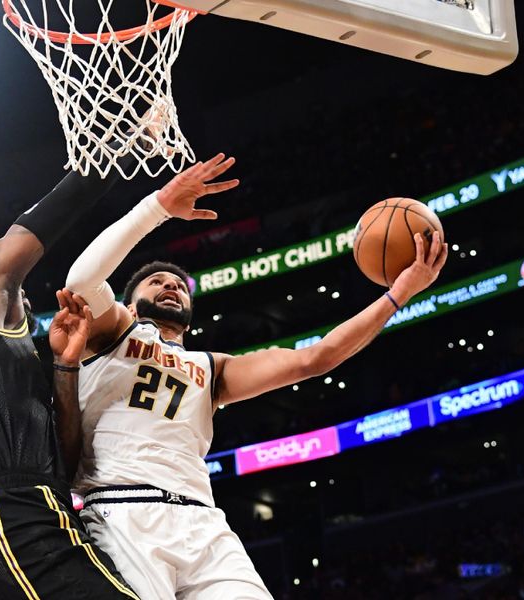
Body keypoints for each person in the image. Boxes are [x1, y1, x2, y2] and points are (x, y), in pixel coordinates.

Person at [63, 153, 449, 599]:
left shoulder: (215, 368)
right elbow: (82, 278)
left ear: (189, 318)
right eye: (157, 283)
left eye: (177, 285)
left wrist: (398, 295)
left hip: (202, 523)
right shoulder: (112, 333)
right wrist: (159, 207)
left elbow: (315, 358)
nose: (170, 286)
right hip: (121, 511)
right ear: (130, 306)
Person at [0, 148, 146, 598]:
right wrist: (123, 150)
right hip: (15, 514)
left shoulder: (5, 363)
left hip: (41, 506)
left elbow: (64, 463)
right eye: (16, 292)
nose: (24, 299)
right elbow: (31, 234)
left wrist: (65, 368)